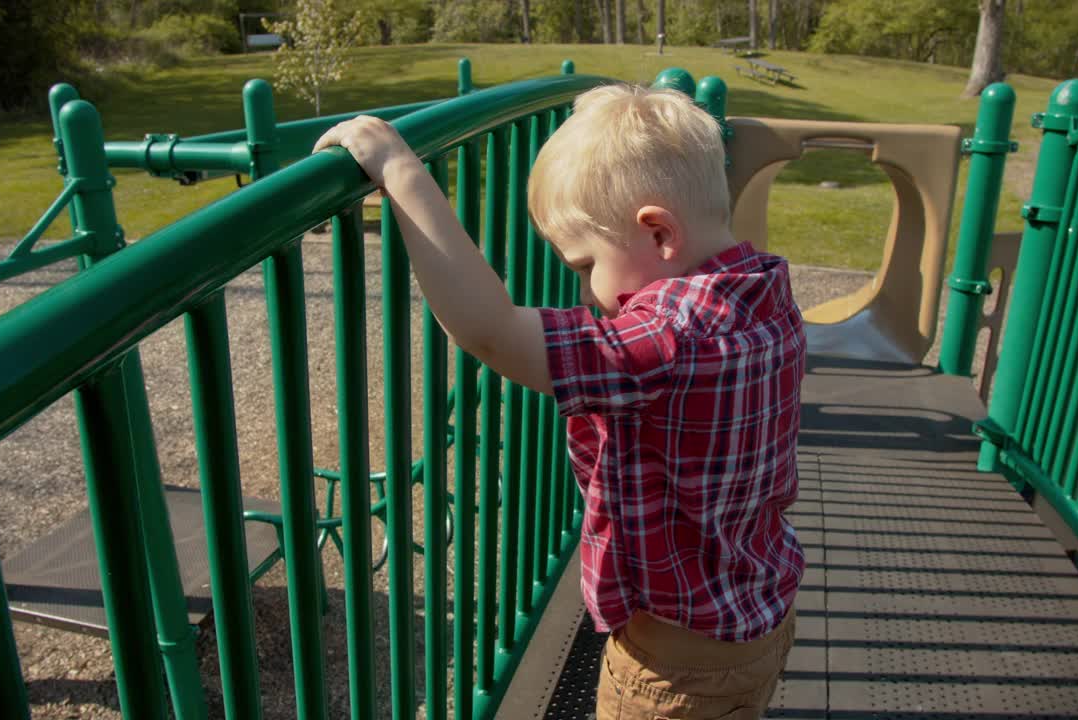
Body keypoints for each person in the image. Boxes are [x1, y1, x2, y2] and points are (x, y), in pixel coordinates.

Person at [314, 82, 804, 720]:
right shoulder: (765, 292)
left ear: (658, 234)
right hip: (761, 616)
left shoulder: (664, 342)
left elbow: (490, 331)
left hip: (675, 665)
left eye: (584, 264)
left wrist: (400, 170)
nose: (589, 291)